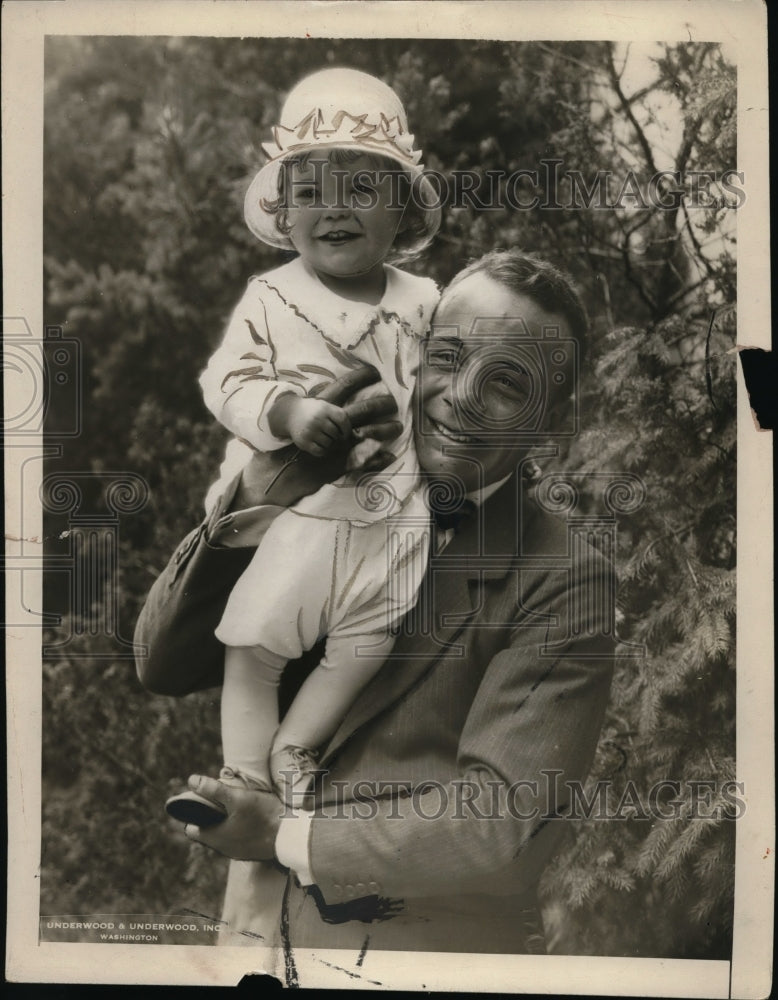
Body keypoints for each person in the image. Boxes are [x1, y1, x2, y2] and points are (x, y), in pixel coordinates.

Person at [135, 249, 616, 957]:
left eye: (508, 383)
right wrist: (265, 490)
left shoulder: (565, 579)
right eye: (447, 357)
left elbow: (498, 828)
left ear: (549, 420)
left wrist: (280, 833)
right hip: (253, 940)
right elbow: (164, 662)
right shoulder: (339, 483)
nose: (461, 395)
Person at [166, 65, 442, 822]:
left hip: (395, 521)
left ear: (401, 212)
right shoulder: (273, 296)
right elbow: (227, 380)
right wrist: (285, 412)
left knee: (365, 645)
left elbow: (453, 387)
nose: (335, 210)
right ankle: (241, 779)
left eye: (361, 189)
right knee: (253, 648)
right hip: (303, 516)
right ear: (284, 213)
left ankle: (297, 747)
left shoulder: (426, 302)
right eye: (312, 192)